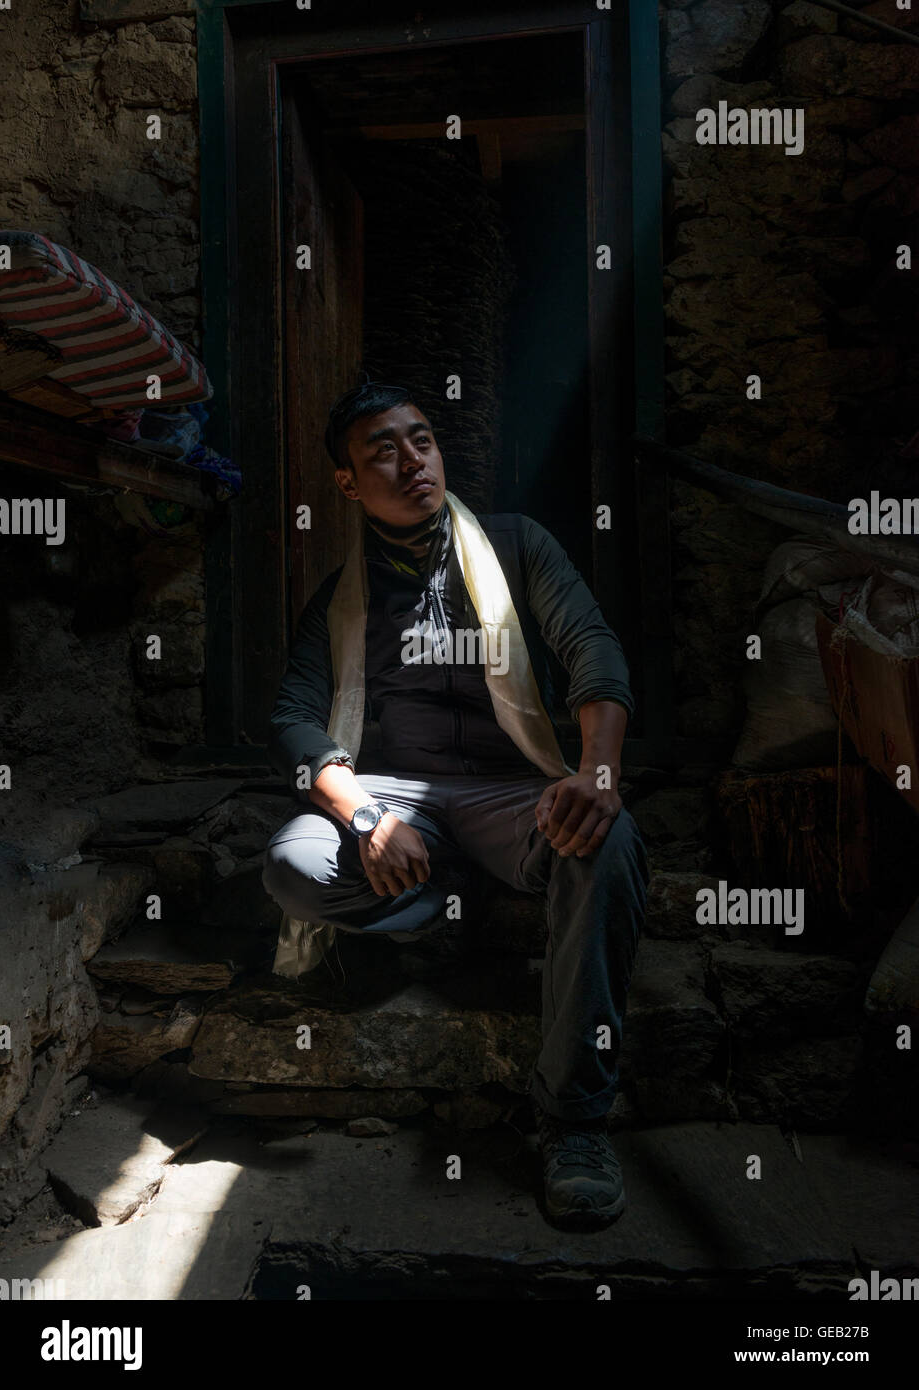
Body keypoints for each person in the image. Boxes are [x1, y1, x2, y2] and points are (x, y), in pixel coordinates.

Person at [262, 380, 649, 1230]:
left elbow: (592, 647)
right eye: (384, 452)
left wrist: (599, 775)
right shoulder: (339, 599)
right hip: (399, 796)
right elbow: (293, 717)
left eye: (422, 439)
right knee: (294, 863)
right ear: (348, 485)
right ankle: (433, 894)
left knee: (609, 844)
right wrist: (364, 816)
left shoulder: (515, 546)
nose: (413, 461)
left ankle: (575, 1122)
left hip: (518, 791)